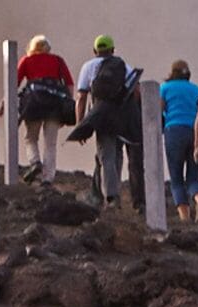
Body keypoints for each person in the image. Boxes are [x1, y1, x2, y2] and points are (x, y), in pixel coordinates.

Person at [74, 36, 143, 210]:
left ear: (95, 51)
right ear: (113, 50)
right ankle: (113, 193)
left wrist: (80, 124)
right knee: (117, 154)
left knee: (106, 155)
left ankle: (112, 197)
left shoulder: (88, 67)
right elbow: (136, 91)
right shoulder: (122, 65)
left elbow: (81, 97)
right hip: (122, 116)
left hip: (101, 116)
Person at [12, 38, 75, 179]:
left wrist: (5, 104)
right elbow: (69, 84)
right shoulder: (58, 60)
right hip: (54, 105)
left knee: (31, 138)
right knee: (50, 143)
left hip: (33, 104)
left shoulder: (26, 60)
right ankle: (48, 178)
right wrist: (69, 103)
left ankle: (35, 162)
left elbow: (12, 84)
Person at [157, 59, 198, 214]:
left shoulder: (164, 88)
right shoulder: (196, 90)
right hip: (194, 131)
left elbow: (159, 111)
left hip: (174, 131)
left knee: (176, 178)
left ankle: (185, 217)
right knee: (193, 178)